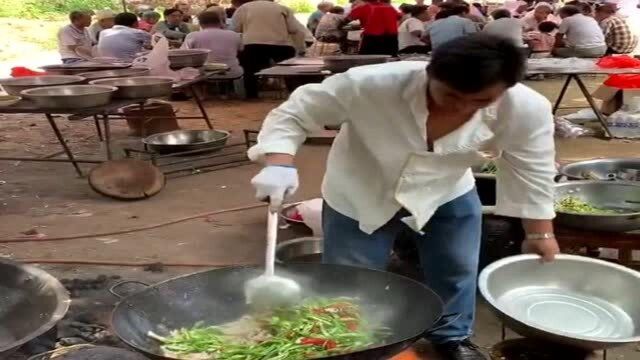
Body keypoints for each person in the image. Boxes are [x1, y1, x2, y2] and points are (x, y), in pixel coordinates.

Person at [248, 33, 558, 360]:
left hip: (447, 188)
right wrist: (279, 164)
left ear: (505, 88)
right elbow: (293, 113)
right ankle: (350, 343)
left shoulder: (526, 109)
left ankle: (452, 337)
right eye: (449, 95)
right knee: (351, 277)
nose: (463, 108)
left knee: (455, 268)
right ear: (430, 73)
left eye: (481, 102)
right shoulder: (369, 84)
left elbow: (532, 167)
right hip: (361, 190)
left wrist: (540, 231)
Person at [232, 0, 299, 98]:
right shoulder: (283, 8)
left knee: (250, 71)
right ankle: (293, 94)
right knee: (288, 71)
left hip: (252, 43)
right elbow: (294, 29)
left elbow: (235, 28)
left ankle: (252, 96)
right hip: (281, 44)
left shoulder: (244, 7)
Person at [182, 11, 243, 78]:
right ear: (220, 22)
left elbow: (182, 54)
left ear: (200, 23)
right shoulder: (234, 35)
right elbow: (241, 49)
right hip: (233, 72)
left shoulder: (192, 36)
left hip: (204, 75)